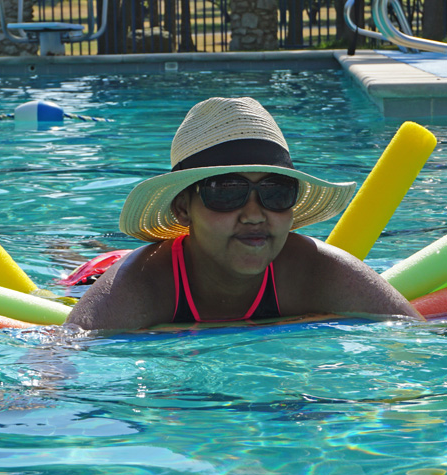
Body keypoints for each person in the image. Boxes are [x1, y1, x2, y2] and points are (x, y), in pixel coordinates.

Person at [65, 97, 421, 330]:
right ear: (182, 207)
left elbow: (417, 338)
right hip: (96, 273)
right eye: (227, 192)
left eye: (275, 193)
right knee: (69, 272)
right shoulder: (141, 282)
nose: (254, 214)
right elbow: (57, 361)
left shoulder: (315, 269)